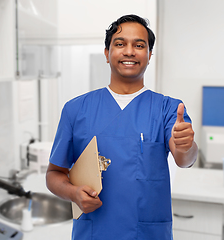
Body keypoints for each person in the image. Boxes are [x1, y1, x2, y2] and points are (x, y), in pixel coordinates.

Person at [46, 14, 198, 240]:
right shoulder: (76, 109)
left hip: (147, 234)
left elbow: (184, 159)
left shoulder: (168, 109)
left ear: (149, 55)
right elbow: (54, 174)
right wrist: (73, 193)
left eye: (139, 45)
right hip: (93, 233)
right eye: (120, 44)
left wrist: (187, 147)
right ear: (107, 54)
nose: (129, 51)